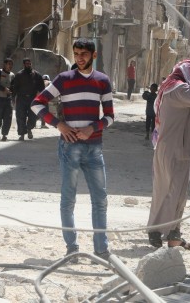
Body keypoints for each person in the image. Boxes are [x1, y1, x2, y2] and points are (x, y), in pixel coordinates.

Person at [31, 38, 113, 261]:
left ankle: (101, 249)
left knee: (100, 200)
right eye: (76, 53)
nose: (79, 58)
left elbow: (109, 117)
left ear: (93, 56)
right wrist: (58, 124)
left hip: (94, 147)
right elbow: (37, 103)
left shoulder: (103, 81)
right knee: (68, 200)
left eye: (84, 54)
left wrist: (92, 128)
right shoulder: (64, 79)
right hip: (70, 148)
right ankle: (72, 249)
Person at [147, 59, 190, 249]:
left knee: (172, 190)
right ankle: (159, 231)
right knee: (172, 191)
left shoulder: (172, 88)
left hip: (171, 148)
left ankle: (171, 233)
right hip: (174, 150)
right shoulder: (177, 90)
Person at [13, 57, 44, 140]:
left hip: (33, 99)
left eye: (30, 63)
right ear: (23, 65)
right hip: (21, 99)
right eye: (27, 64)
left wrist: (39, 96)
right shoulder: (19, 75)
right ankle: (22, 134)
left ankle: (29, 128)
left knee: (33, 116)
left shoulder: (37, 75)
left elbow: (42, 87)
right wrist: (13, 99)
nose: (28, 65)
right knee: (20, 116)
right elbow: (14, 87)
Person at [0, 58, 15, 141]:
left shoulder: (12, 75)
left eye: (11, 64)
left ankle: (5, 134)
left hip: (8, 99)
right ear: (4, 64)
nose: (10, 66)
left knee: (8, 117)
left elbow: (13, 86)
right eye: (9, 64)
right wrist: (4, 89)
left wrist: (11, 92)